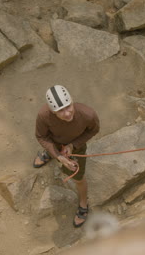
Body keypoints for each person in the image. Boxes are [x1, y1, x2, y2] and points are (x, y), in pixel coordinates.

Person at [33, 85, 100, 228]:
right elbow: (41, 136)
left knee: (79, 178)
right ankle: (50, 154)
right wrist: (58, 156)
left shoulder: (88, 115)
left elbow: (93, 130)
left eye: (68, 106)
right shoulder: (44, 115)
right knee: (52, 149)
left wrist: (73, 145)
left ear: (72, 101)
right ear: (52, 111)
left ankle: (83, 203)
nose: (67, 113)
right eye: (60, 111)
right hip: (56, 143)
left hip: (76, 148)